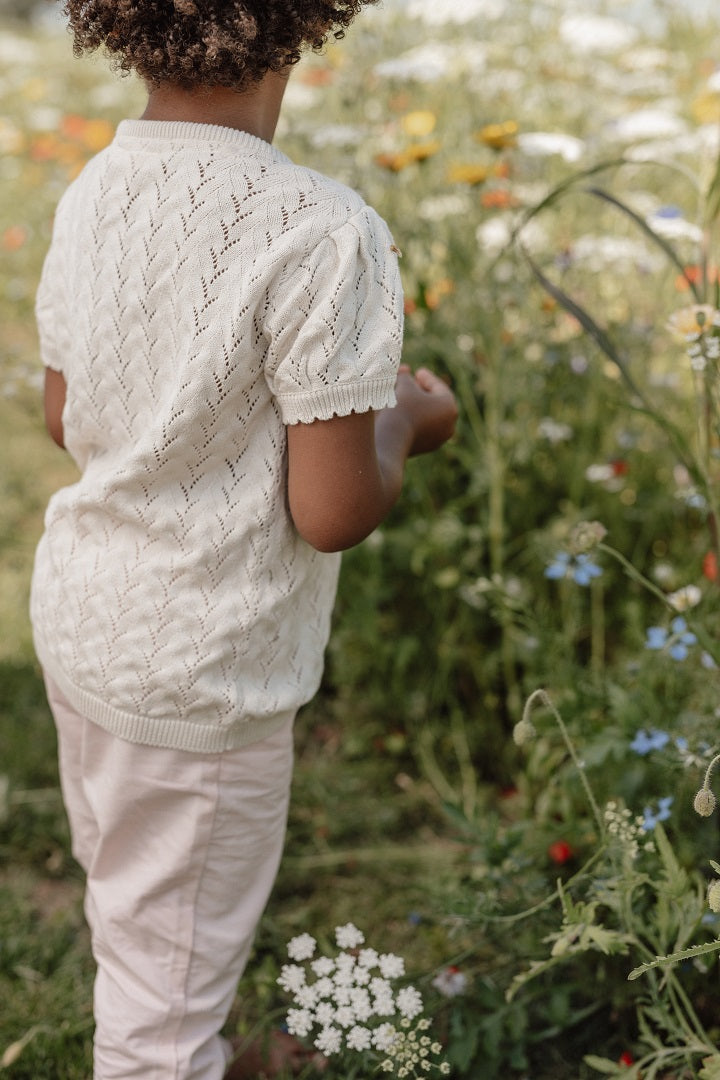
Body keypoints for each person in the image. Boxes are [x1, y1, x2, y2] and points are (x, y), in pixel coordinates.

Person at [32, 2, 458, 1078]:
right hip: (203, 672)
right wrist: (404, 424)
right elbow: (333, 511)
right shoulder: (322, 228)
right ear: (306, 22)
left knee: (135, 891)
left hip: (84, 625)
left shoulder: (96, 187)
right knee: (163, 1002)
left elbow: (62, 413)